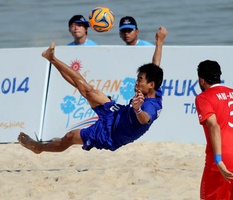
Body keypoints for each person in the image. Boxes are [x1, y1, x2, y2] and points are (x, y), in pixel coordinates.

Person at [18, 26, 168, 154]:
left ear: (151, 84)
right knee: (88, 91)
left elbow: (145, 119)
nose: (136, 83)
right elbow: (156, 65)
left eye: (140, 80)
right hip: (117, 113)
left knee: (70, 137)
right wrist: (159, 41)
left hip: (112, 134)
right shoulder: (155, 88)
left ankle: (39, 148)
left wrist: (137, 109)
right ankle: (52, 59)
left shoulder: (151, 106)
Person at [195, 60, 233, 199]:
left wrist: (218, 159)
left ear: (202, 80)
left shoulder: (203, 97)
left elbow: (214, 126)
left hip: (223, 159)